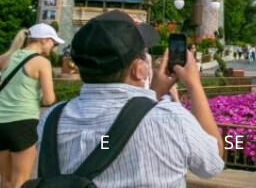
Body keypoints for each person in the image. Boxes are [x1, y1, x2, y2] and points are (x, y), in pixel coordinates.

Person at [35, 10, 224, 186]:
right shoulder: (172, 119)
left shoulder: (51, 120)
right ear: (139, 69)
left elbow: (108, 138)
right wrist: (194, 85)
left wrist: (152, 94)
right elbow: (214, 162)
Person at [0, 24, 62, 188]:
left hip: (1, 122)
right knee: (21, 180)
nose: (53, 47)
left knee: (5, 180)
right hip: (22, 123)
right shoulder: (41, 62)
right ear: (44, 40)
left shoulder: (6, 57)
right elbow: (49, 99)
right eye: (53, 43)